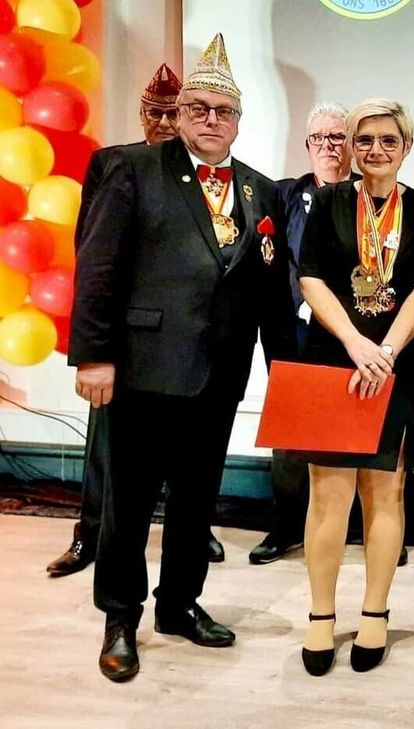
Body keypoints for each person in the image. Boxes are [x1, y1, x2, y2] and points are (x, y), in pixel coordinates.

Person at [69, 34, 296, 682]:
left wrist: (287, 376)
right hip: (141, 368)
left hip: (220, 375)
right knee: (129, 502)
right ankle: (120, 617)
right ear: (180, 113)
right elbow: (99, 266)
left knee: (197, 501)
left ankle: (179, 604)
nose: (210, 120)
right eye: (198, 108)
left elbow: (271, 293)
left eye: (223, 111)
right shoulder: (132, 169)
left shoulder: (260, 192)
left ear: (238, 120)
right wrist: (93, 355)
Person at [47, 63, 225, 577]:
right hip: (127, 343)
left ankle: (194, 535)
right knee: (109, 451)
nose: (165, 123)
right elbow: (94, 256)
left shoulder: (215, 177)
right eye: (156, 113)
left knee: (192, 458)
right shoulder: (117, 164)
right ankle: (90, 534)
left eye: (173, 113)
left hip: (192, 344)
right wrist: (94, 350)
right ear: (143, 114)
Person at [294, 98, 414, 676]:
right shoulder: (328, 202)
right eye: (364, 140)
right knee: (327, 496)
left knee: (386, 493)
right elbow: (310, 280)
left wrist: (384, 352)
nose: (376, 150)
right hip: (334, 360)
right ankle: (320, 615)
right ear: (351, 147)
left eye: (388, 141)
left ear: (406, 147)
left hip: (396, 365)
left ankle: (375, 611)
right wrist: (356, 343)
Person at [248, 101, 356, 566]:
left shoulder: (373, 195)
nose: (328, 146)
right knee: (290, 435)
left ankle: (361, 527)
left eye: (337, 137)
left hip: (354, 334)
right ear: (307, 145)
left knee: (356, 428)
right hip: (292, 333)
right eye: (319, 138)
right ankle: (287, 527)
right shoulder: (283, 195)